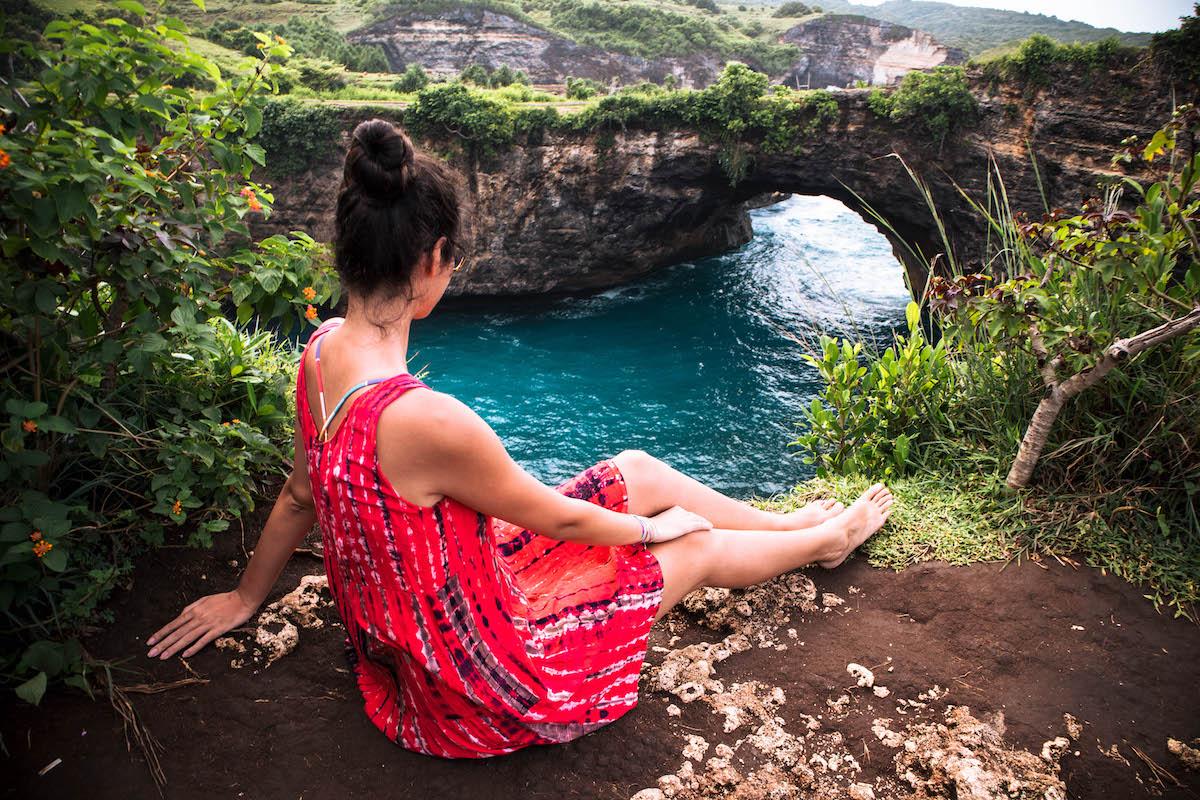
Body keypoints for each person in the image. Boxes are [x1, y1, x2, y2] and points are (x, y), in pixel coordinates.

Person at [147, 119, 895, 758]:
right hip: (474, 679)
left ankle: (788, 521)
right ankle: (823, 543)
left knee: (635, 466)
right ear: (434, 260)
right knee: (688, 545)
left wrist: (248, 596)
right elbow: (557, 517)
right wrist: (652, 529)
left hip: (417, 625)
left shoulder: (317, 354)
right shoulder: (425, 419)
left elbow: (297, 493)